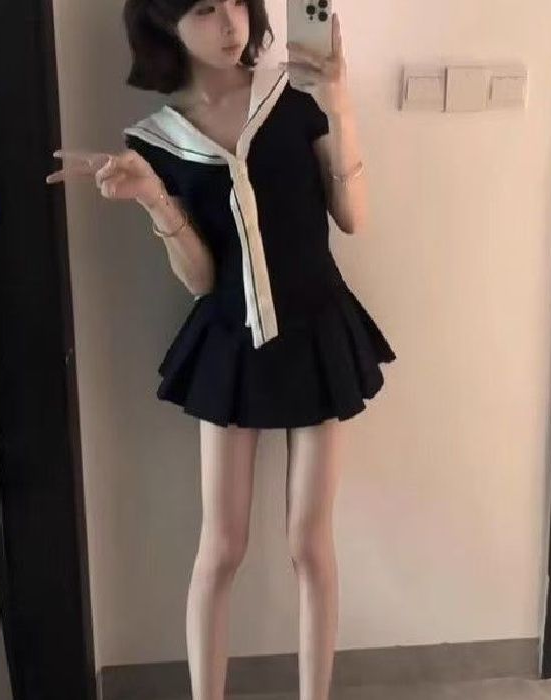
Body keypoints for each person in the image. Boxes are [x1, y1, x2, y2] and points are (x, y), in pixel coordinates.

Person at [46, 1, 396, 698]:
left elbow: (353, 218)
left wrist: (339, 101)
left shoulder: (293, 95)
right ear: (165, 24)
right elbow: (203, 279)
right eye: (205, 8)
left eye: (237, 1)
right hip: (231, 342)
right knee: (221, 547)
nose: (230, 22)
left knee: (309, 543)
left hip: (318, 332)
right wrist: (154, 199)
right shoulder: (156, 139)